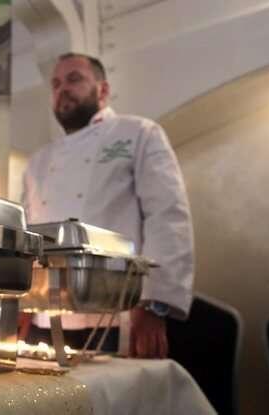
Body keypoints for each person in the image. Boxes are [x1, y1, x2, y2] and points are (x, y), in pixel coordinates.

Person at [22, 53, 194, 358]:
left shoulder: (138, 133)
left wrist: (153, 304)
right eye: (56, 84)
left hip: (117, 317)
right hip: (44, 316)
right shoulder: (38, 161)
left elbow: (167, 218)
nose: (63, 89)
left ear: (102, 90)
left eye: (74, 79)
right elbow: (27, 238)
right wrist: (20, 303)